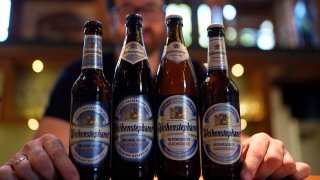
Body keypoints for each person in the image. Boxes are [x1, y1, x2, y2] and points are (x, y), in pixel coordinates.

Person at [0, 0, 311, 179]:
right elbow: (53, 140)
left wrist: (260, 151)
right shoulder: (80, 74)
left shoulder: (195, 73)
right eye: (127, 10)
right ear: (112, 19)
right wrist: (40, 154)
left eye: (147, 8)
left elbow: (226, 140)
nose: (140, 20)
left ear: (163, 17)